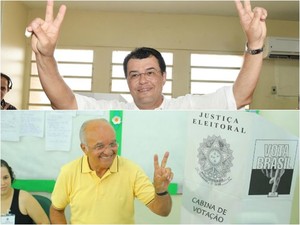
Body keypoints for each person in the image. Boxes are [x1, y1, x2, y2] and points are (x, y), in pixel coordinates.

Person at [26, 0, 267, 110]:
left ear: (164, 77)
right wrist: (45, 56)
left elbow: (240, 97)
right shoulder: (114, 112)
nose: (143, 81)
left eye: (150, 72)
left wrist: (255, 44)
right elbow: (64, 102)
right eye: (134, 75)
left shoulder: (187, 107)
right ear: (127, 82)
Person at [50, 119, 173, 224]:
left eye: (113, 144)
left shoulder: (131, 170)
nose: (108, 151)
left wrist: (161, 191)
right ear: (84, 148)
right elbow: (56, 209)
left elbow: (163, 211)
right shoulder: (69, 172)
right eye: (100, 146)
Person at [1, 159, 50, 224]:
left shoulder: (24, 198)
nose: (2, 183)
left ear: (11, 177)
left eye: (5, 177)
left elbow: (45, 223)